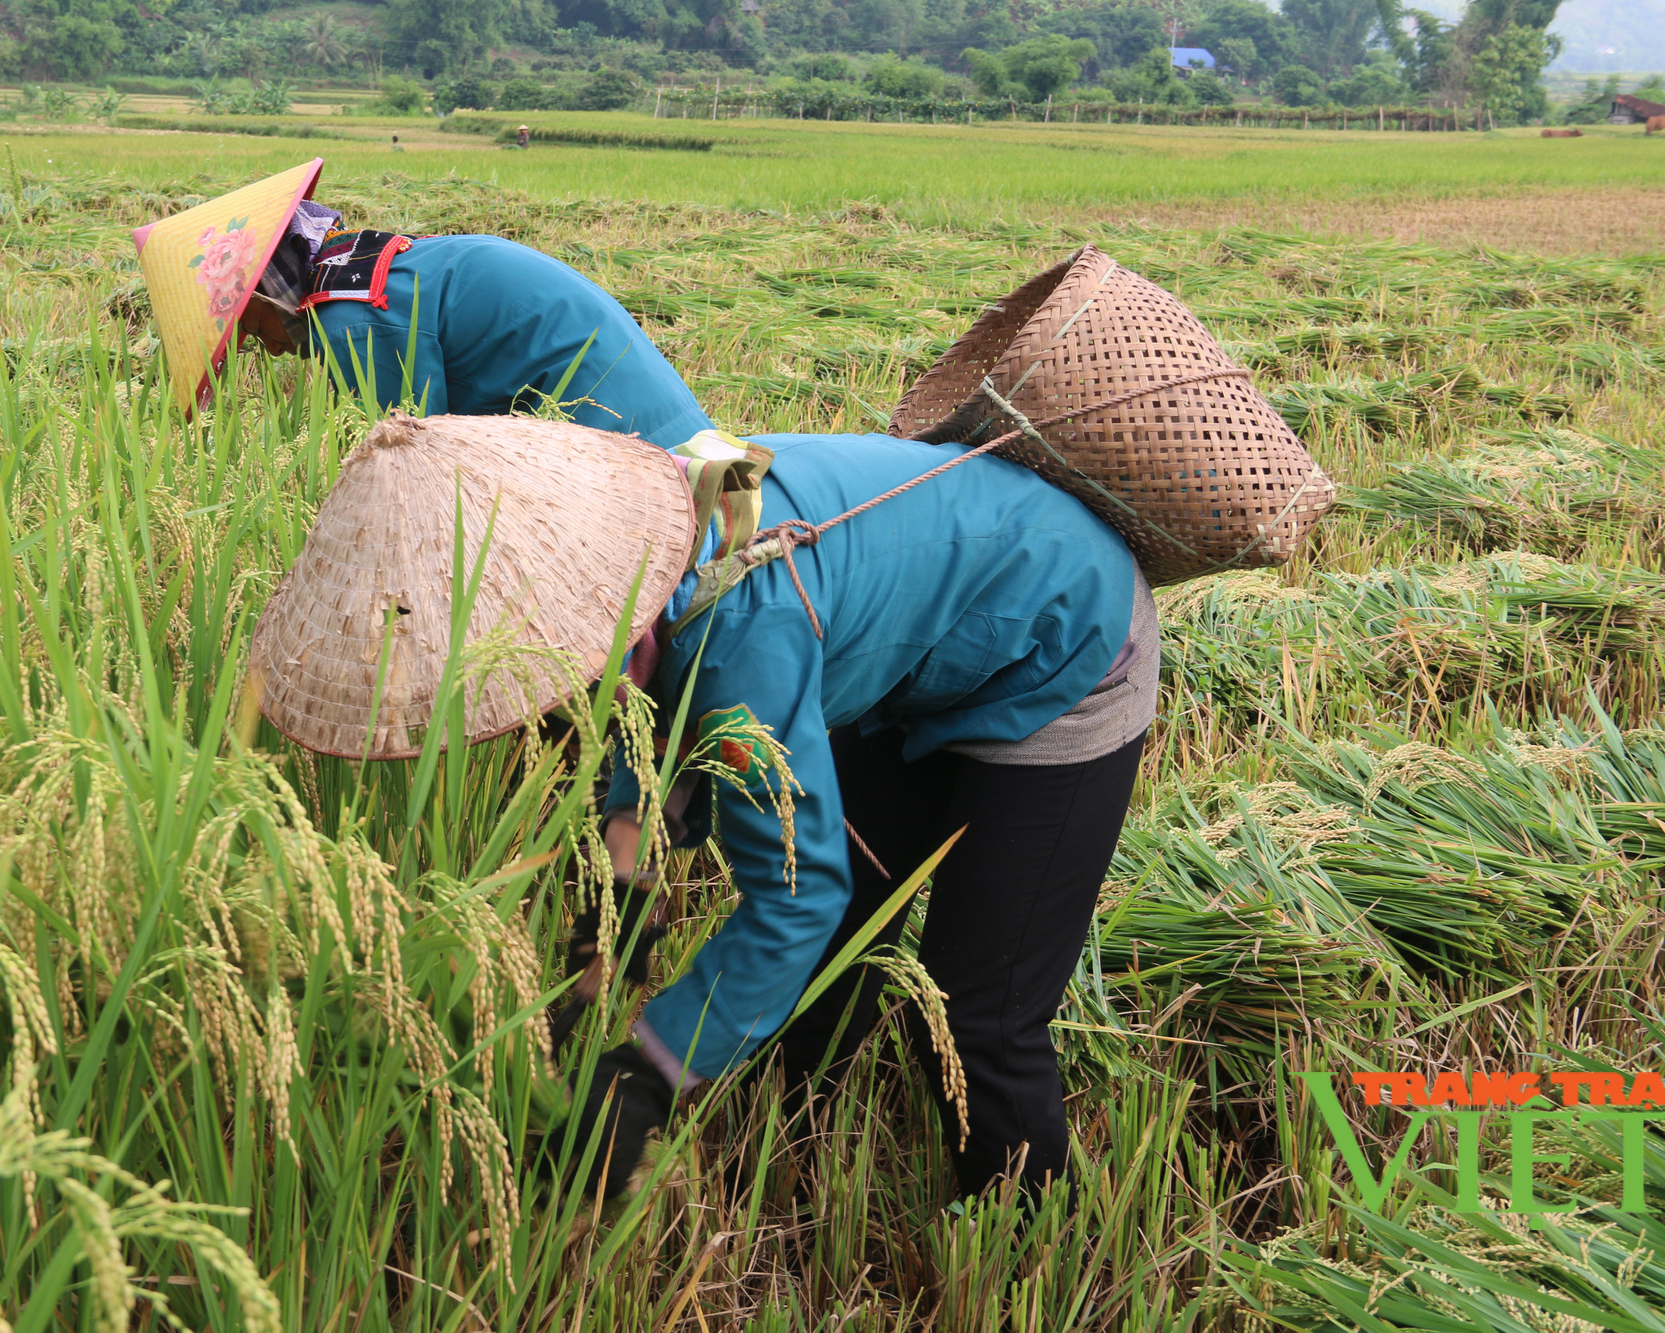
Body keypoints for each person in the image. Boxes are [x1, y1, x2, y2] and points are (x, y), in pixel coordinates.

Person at [557, 426, 1159, 1205]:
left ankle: (1035, 1236)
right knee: (842, 941)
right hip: (935, 641)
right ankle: (798, 1154)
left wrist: (651, 1069)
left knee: (977, 1011)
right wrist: (623, 879)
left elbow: (795, 896)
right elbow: (660, 713)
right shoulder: (646, 535)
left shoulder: (743, 635)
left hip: (1068, 637)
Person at [132, 158, 713, 449]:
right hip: (650, 403)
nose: (271, 350)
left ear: (266, 291)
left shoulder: (350, 319)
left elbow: (415, 453)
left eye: (252, 329)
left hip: (625, 435)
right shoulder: (354, 262)